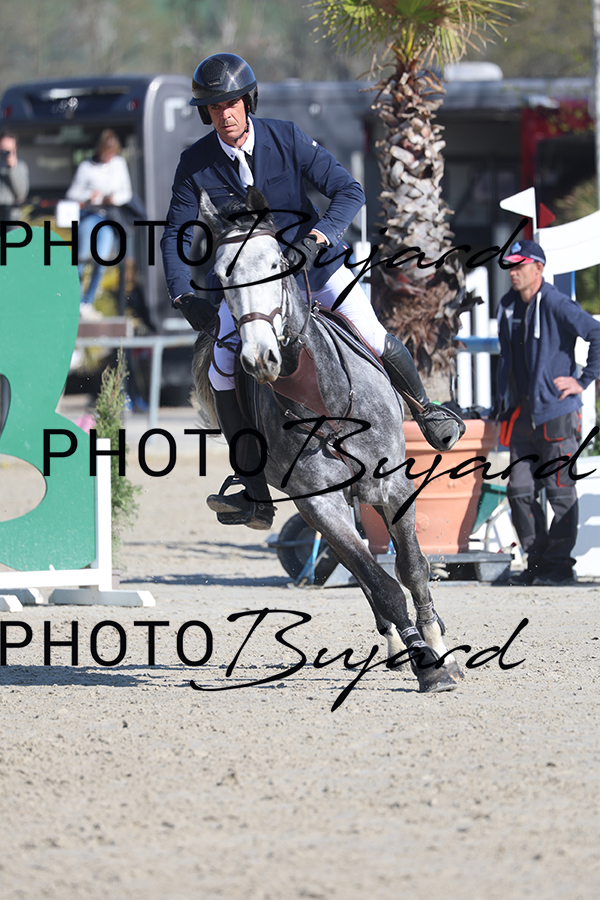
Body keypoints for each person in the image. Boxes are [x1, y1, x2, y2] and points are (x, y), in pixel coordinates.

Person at [161, 53, 465, 530]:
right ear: (207, 114)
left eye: (232, 104)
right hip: (249, 291)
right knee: (221, 368)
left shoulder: (286, 137)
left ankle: (426, 410)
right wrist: (183, 295)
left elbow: (349, 191)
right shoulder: (195, 164)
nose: (225, 115)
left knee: (371, 333)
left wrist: (318, 238)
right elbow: (174, 235)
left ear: (248, 102)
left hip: (314, 271)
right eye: (215, 108)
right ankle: (254, 493)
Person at [495, 239, 600, 586]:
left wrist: (583, 380)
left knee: (560, 491)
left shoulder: (555, 302)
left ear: (538, 268)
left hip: (556, 412)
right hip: (522, 413)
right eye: (510, 265)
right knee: (519, 490)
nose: (513, 272)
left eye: (520, 265)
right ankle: (537, 563)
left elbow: (596, 333)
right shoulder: (508, 304)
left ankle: (560, 566)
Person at [66, 129, 132, 314]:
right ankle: (77, 300)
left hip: (109, 216)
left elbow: (126, 193)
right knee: (81, 257)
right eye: (105, 152)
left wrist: (113, 198)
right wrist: (89, 196)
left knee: (101, 260)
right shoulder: (86, 167)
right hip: (90, 214)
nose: (107, 157)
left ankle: (88, 302)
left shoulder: (119, 164)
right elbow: (72, 193)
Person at [0, 130, 29, 226]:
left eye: (9, 149)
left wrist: (12, 169)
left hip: (11, 214)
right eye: (3, 148)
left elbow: (21, 194)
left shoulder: (20, 166)